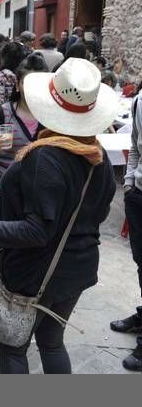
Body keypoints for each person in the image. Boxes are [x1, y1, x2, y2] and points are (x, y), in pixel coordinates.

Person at [0, 58, 117, 374]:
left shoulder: (45, 158)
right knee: (51, 342)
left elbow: (37, 232)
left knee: (13, 349)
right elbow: (100, 212)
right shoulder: (98, 155)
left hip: (36, 270)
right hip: (77, 268)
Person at [0, 54, 48, 220]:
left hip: (37, 195)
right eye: (27, 83)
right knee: (7, 244)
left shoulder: (51, 117)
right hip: (0, 192)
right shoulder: (1, 114)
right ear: (17, 84)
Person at [112, 87, 142, 372]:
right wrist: (130, 182)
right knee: (141, 263)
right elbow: (135, 143)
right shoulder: (140, 101)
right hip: (139, 195)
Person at [0, 41, 25, 109]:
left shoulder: (3, 75)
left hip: (6, 115)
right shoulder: (24, 74)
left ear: (4, 57)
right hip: (21, 114)